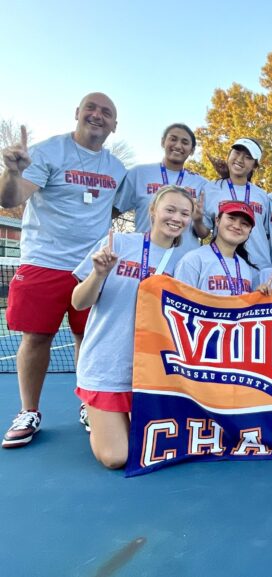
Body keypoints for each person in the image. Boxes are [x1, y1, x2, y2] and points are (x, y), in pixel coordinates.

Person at [1, 93, 126, 448]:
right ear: (77, 113)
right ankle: (29, 411)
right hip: (44, 262)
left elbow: (116, 208)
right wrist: (11, 172)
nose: (97, 115)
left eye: (107, 112)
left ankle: (90, 405)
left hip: (92, 268)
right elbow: (10, 199)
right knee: (36, 337)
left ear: (114, 125)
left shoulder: (116, 168)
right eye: (91, 108)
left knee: (87, 339)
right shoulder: (47, 151)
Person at [69, 185, 193, 467]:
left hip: (153, 373)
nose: (177, 218)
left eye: (185, 213)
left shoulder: (187, 261)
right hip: (108, 365)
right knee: (117, 458)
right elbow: (78, 302)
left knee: (155, 449)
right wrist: (99, 275)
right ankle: (94, 412)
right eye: (170, 209)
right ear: (153, 211)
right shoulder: (119, 244)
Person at [113, 123, 208, 256]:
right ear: (163, 142)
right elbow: (114, 211)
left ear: (192, 150)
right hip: (144, 257)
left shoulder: (202, 184)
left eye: (185, 142)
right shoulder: (139, 174)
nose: (178, 145)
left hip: (183, 261)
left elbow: (203, 233)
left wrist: (197, 220)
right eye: (173, 139)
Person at [202, 138, 271, 271]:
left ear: (255, 165)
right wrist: (198, 219)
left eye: (248, 157)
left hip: (259, 267)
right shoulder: (210, 189)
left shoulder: (262, 195)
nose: (240, 159)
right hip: (223, 265)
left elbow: (267, 234)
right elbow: (204, 232)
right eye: (236, 153)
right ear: (229, 155)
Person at [175, 201, 258, 295]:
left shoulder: (245, 267)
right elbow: (179, 303)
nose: (237, 226)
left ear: (249, 231)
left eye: (245, 224)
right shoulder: (194, 260)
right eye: (231, 218)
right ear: (217, 221)